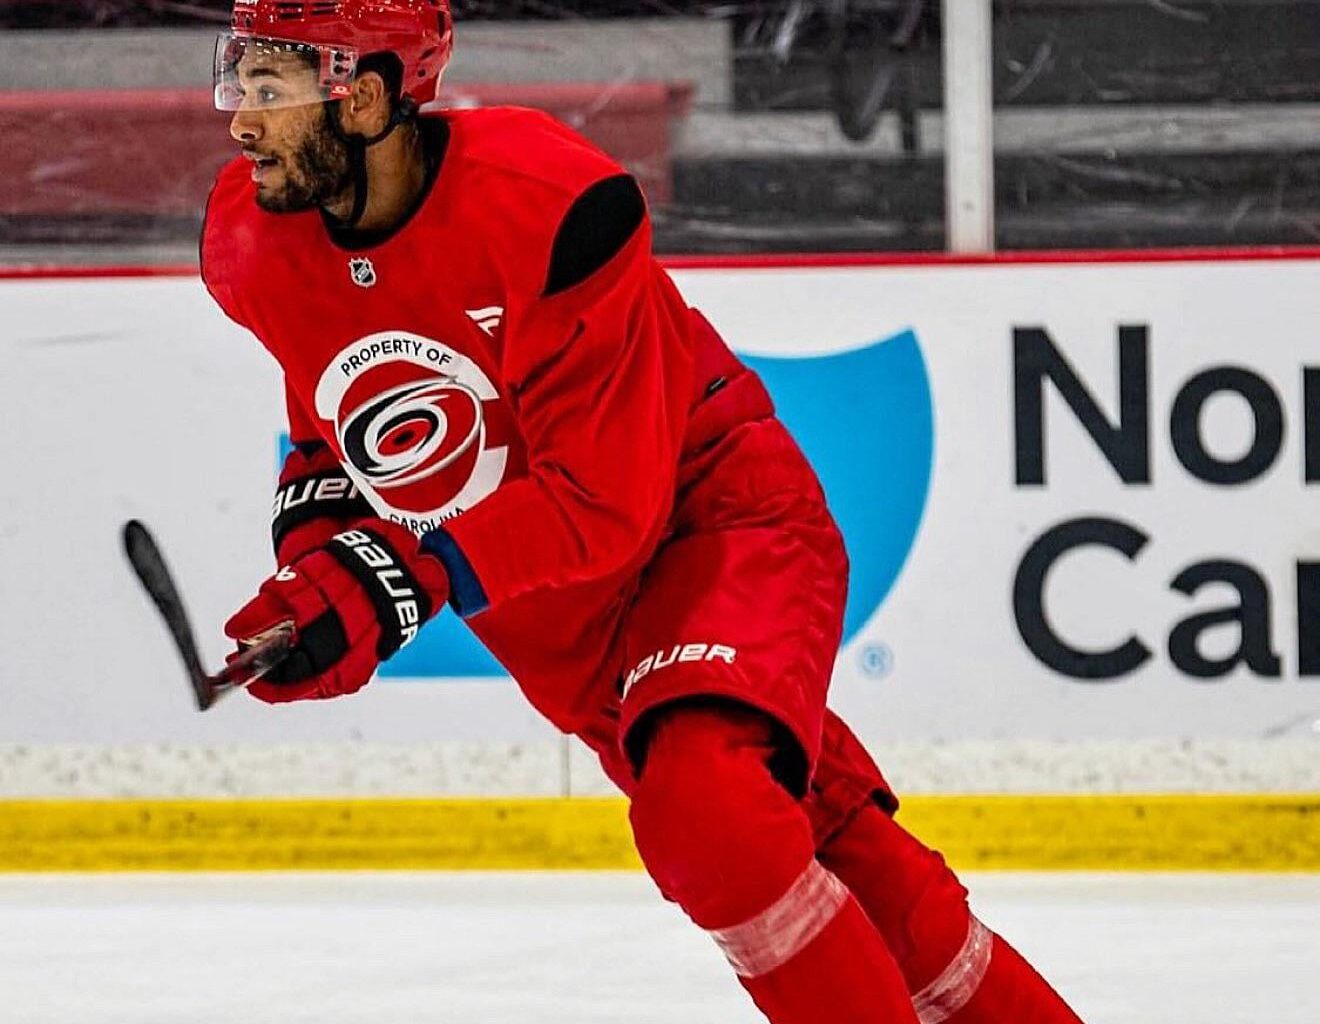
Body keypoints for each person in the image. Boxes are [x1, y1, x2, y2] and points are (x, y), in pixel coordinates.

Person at [202, 2, 1085, 1021]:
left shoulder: (547, 202)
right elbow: (329, 427)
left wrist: (402, 578)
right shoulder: (249, 239)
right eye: (238, 81)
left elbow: (603, 502)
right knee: (839, 856)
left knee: (710, 822)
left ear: (364, 96)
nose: (239, 120)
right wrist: (314, 573)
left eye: (270, 91)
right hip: (553, 625)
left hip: (710, 524)